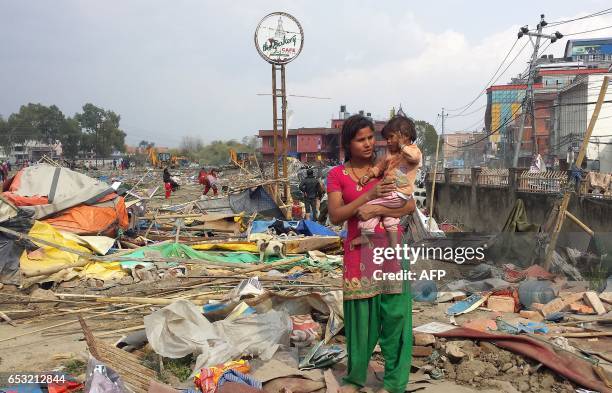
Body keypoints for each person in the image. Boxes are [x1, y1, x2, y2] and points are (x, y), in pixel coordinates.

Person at [327, 114, 415, 393]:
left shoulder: (392, 167)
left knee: (396, 316)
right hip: (358, 253)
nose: (368, 144)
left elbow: (409, 206)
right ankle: (355, 378)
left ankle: (394, 382)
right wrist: (368, 195)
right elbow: (336, 216)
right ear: (348, 143)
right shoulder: (337, 175)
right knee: (360, 319)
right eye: (360, 139)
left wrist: (378, 209)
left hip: (390, 249)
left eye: (370, 138)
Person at [353, 115, 422, 248]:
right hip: (395, 194)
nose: (388, 142)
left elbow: (414, 158)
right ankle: (393, 244)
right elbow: (379, 166)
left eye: (391, 137)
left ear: (405, 136)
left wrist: (402, 146)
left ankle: (366, 234)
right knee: (389, 218)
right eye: (387, 139)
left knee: (369, 204)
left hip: (396, 192)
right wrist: (369, 175)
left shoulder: (411, 151)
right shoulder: (390, 154)